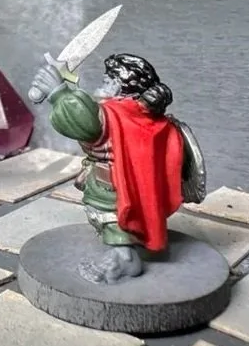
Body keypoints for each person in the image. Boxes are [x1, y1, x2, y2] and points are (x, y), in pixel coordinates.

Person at [31, 53, 188, 284]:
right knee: (111, 216)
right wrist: (67, 86)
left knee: (110, 216)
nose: (102, 84)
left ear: (117, 86)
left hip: (113, 185)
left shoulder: (117, 115)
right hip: (127, 182)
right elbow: (91, 108)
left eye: (107, 80)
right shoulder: (137, 114)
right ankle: (129, 246)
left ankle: (124, 257)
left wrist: (59, 92)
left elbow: (84, 122)